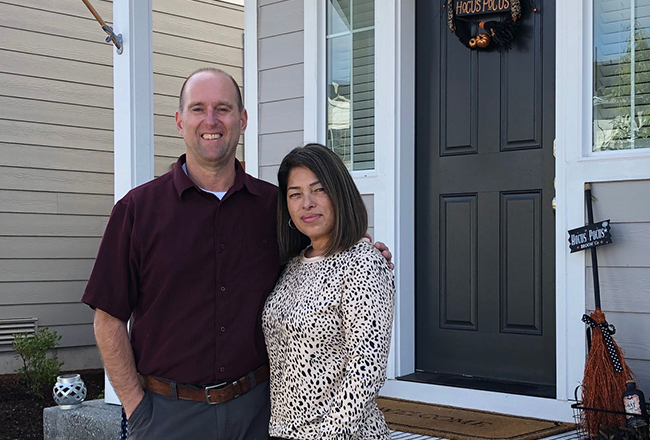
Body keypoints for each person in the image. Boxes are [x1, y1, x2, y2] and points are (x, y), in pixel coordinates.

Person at [82, 68, 392, 440]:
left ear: (242, 120)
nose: (210, 120)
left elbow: (321, 254)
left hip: (258, 414)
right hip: (167, 416)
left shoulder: (275, 207)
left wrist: (362, 251)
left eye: (223, 109)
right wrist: (137, 410)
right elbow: (108, 319)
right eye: (198, 109)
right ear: (180, 121)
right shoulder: (137, 210)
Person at [262, 144, 394, 440]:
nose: (306, 203)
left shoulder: (363, 262)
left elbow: (367, 367)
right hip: (282, 430)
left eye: (318, 190)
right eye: (295, 194)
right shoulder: (292, 265)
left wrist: (329, 434)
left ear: (340, 195)